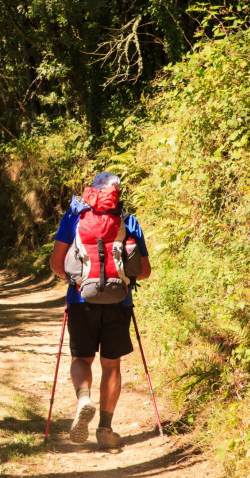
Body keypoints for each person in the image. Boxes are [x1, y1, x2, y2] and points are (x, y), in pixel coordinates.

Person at [49, 172, 151, 449]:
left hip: (81, 301)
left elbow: (57, 263)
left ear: (91, 192)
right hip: (119, 304)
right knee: (112, 364)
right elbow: (144, 271)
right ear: (117, 194)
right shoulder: (129, 221)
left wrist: (76, 281)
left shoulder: (73, 218)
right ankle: (105, 428)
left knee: (81, 358)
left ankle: (84, 398)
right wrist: (123, 281)